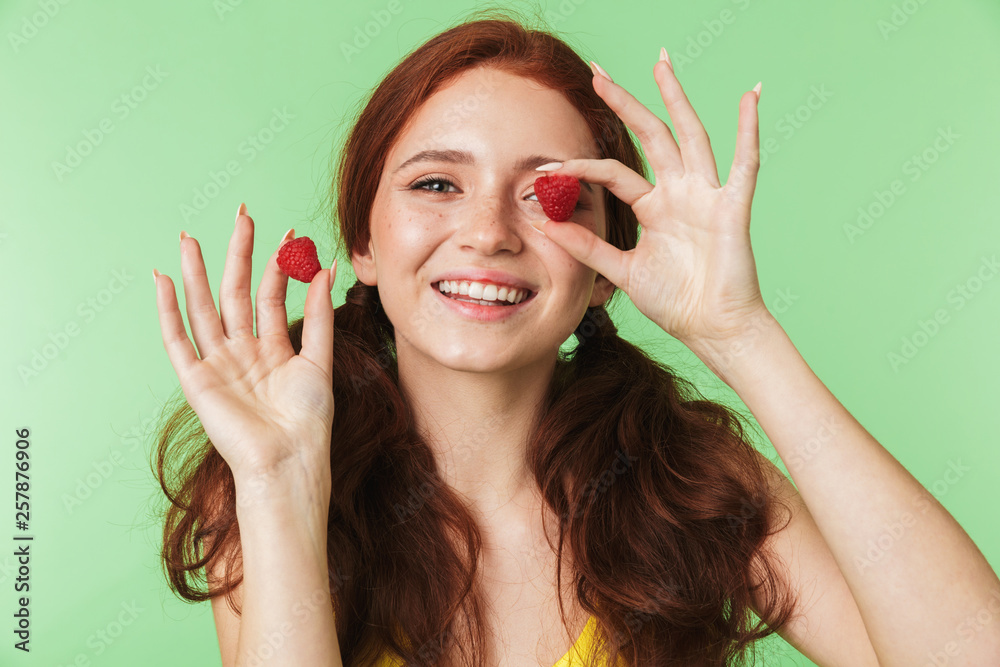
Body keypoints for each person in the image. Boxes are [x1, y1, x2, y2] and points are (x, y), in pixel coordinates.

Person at [150, 9, 1000, 667]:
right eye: (438, 182)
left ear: (605, 270)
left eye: (548, 196)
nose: (487, 231)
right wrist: (278, 487)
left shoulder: (689, 480)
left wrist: (742, 334)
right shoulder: (269, 481)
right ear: (364, 244)